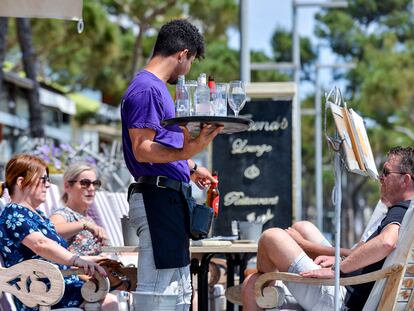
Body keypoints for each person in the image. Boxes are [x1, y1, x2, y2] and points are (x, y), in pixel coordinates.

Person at [121, 19, 221, 310]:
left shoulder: (156, 88)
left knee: (177, 292)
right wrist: (191, 148)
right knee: (159, 292)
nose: (189, 69)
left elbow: (159, 144)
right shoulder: (147, 89)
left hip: (167, 198)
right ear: (182, 54)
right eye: (191, 61)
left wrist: (190, 166)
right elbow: (142, 150)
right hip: (156, 199)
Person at [242, 146, 414, 311]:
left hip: (341, 298)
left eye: (385, 172)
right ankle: (265, 278)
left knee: (271, 237)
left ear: (405, 179)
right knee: (252, 283)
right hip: (346, 290)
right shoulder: (405, 211)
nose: (380, 178)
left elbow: (386, 242)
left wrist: (338, 269)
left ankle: (266, 278)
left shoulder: (401, 210)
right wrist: (341, 261)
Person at [0, 154, 118, 311]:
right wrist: (77, 260)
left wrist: (92, 259)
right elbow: (41, 245)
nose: (48, 185)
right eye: (43, 179)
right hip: (41, 292)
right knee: (108, 301)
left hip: (56, 286)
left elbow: (53, 254)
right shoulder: (14, 213)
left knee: (112, 294)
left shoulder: (39, 216)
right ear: (21, 182)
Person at [50, 163, 108, 256]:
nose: (91, 188)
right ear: (67, 186)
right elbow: (50, 231)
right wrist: (85, 225)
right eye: (85, 183)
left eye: (95, 183)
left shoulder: (89, 218)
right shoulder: (64, 214)